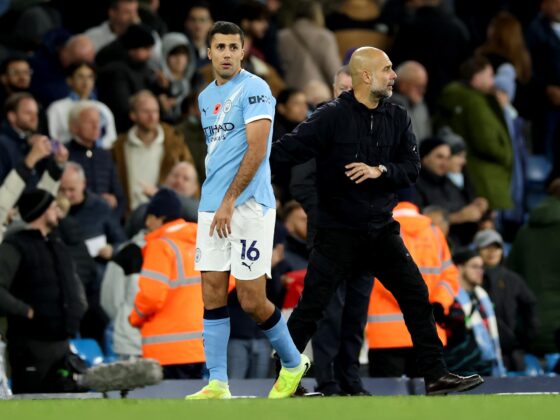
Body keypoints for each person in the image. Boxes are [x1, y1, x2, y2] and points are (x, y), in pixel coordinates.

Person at [270, 46, 483, 395]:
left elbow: (412, 169)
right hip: (337, 233)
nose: (393, 75)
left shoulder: (398, 117)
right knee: (312, 308)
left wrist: (380, 170)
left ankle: (436, 375)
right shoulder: (330, 116)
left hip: (381, 231)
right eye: (387, 69)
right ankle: (285, 375)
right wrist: (244, 178)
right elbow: (286, 151)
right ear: (366, 75)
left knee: (415, 294)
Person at [186, 21, 308, 400]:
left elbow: (257, 151)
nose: (225, 53)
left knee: (251, 299)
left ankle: (292, 362)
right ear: (208, 52)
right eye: (218, 46)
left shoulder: (255, 89)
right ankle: (218, 383)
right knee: (211, 293)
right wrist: (215, 203)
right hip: (212, 207)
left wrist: (228, 203)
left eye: (232, 47)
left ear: (243, 52)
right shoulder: (206, 97)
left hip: (249, 206)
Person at [0, 189, 87, 393]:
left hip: (62, 343)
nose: (58, 211)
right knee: (31, 408)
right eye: (53, 207)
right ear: (41, 211)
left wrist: (78, 307)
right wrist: (26, 311)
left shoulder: (57, 245)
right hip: (30, 346)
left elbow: (73, 282)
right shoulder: (14, 246)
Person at [367, 199, 459, 378]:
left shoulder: (376, 229)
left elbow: (374, 277)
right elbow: (450, 275)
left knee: (385, 399)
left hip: (386, 335)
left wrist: (409, 299)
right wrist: (439, 303)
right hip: (428, 331)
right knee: (430, 395)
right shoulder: (434, 232)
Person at [129, 188, 205, 379]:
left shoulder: (160, 246)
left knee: (166, 408)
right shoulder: (200, 242)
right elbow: (228, 282)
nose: (147, 223)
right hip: (200, 347)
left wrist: (135, 317)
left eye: (150, 217)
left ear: (160, 217)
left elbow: (151, 296)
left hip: (166, 351)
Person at [474, 229, 538, 372]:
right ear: (478, 250)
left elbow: (530, 307)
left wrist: (522, 337)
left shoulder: (513, 279)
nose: (492, 252)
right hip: (480, 354)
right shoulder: (470, 280)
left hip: (513, 352)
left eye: (496, 247)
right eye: (486, 247)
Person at [445, 248, 506, 377]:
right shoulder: (448, 297)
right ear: (460, 268)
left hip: (486, 366)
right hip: (460, 368)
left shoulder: (482, 296)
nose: (480, 271)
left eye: (481, 267)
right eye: (474, 267)